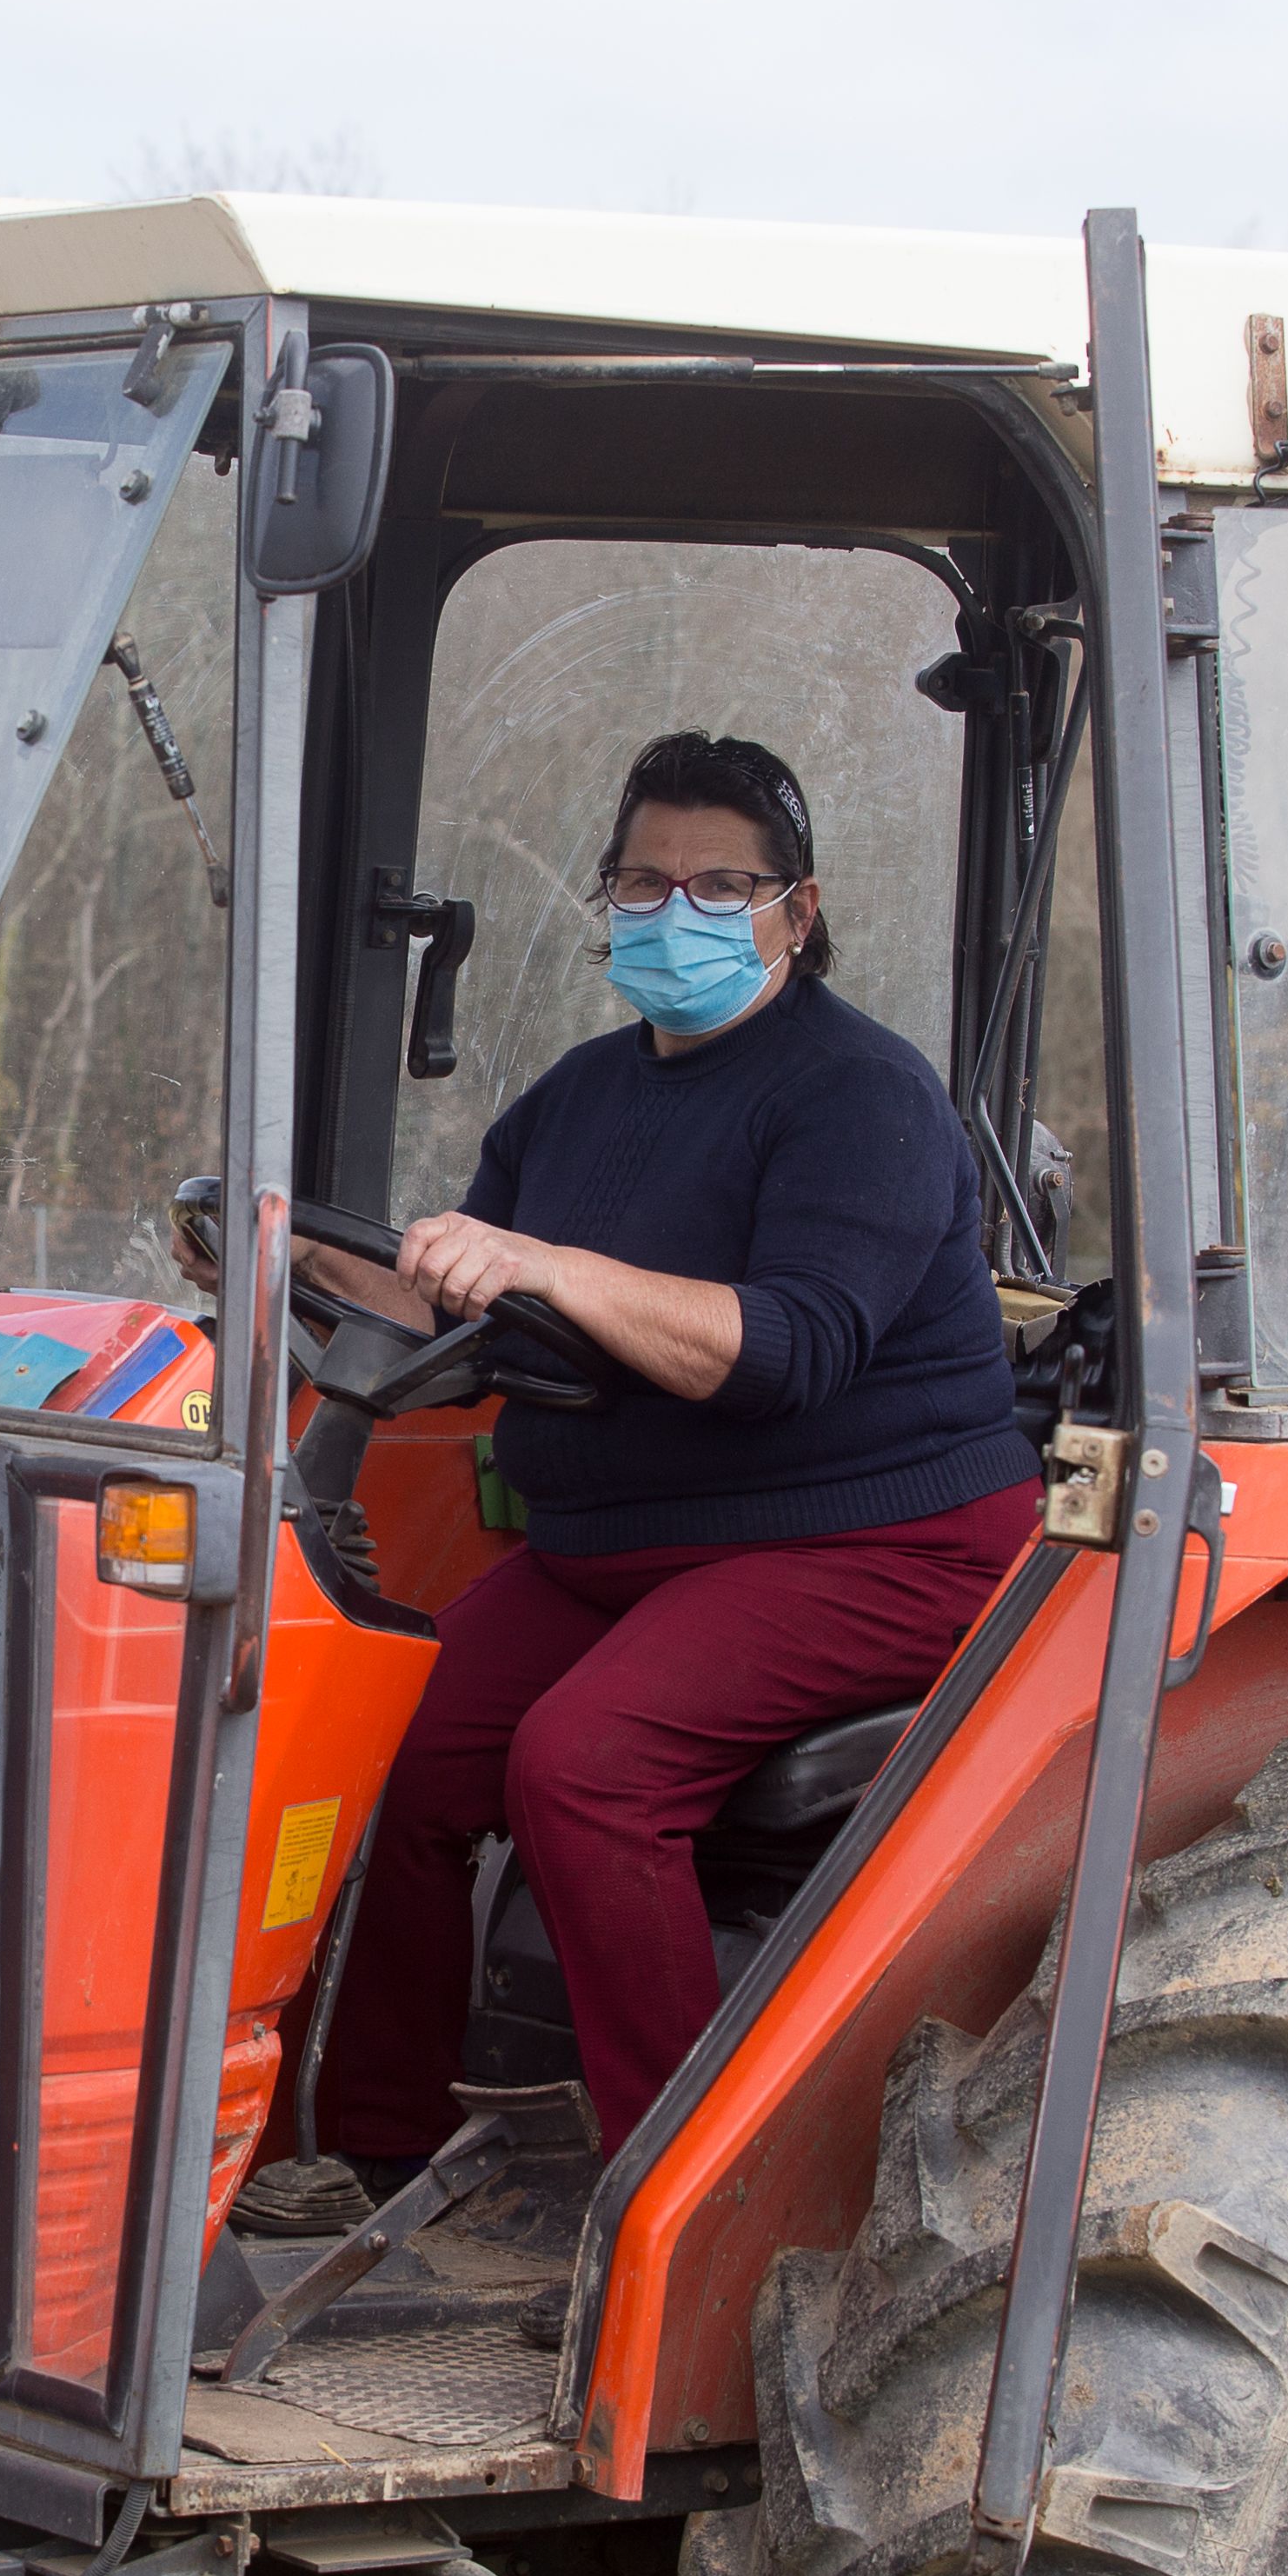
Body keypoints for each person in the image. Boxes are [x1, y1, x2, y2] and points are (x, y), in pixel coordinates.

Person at [309, 730, 1042, 2164]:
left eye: (720, 883)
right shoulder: (575, 1101)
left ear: (797, 910)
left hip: (865, 1543)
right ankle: (359, 2160)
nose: (675, 910)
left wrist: (551, 1264)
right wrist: (286, 1261)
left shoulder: (862, 1099)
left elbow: (786, 1350)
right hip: (613, 1546)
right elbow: (460, 1304)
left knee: (586, 1766)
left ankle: (675, 2193)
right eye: (644, 882)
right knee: (383, 1736)